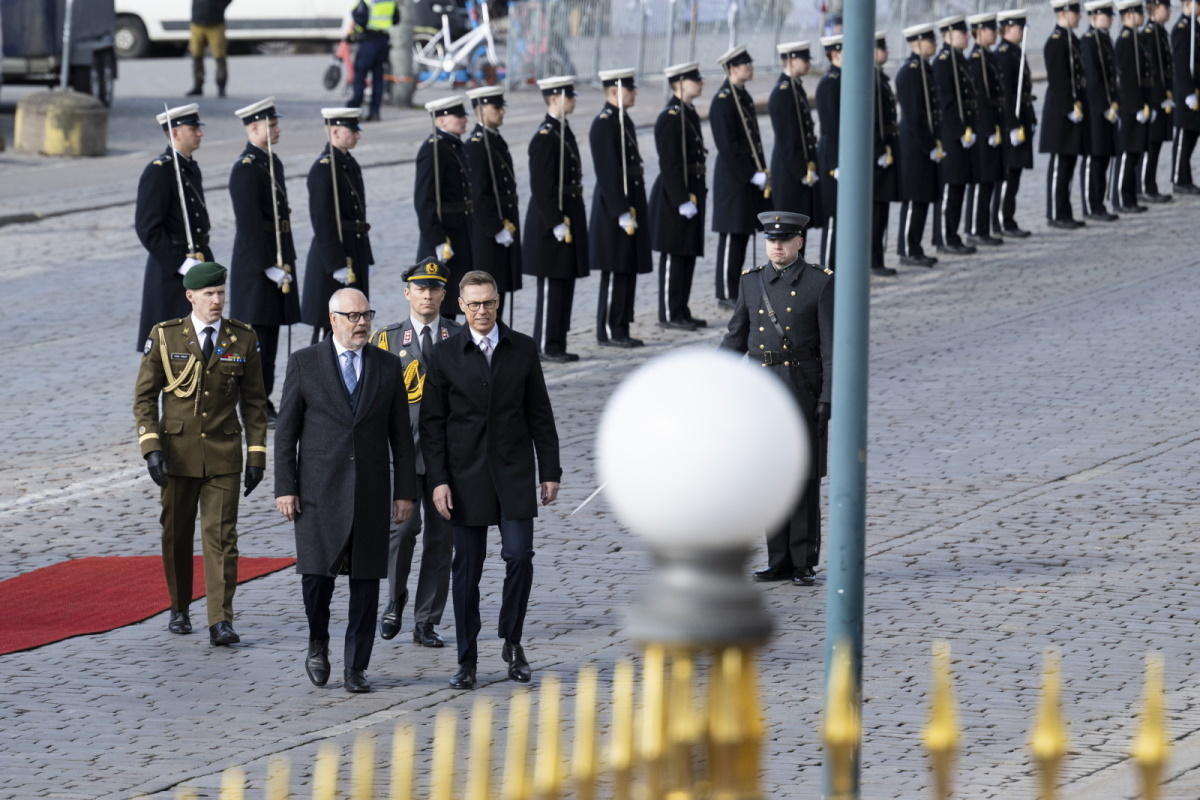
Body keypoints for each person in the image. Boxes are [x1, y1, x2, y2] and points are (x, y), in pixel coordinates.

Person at [419, 271, 562, 690]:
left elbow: (540, 413)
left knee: (519, 557)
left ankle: (512, 640)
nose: (482, 311)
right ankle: (467, 659)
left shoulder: (521, 348)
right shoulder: (445, 355)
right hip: (465, 480)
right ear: (460, 307)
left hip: (514, 474)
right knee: (467, 571)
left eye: (489, 303)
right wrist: (438, 481)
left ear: (498, 303)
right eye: (474, 304)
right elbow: (432, 425)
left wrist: (549, 470)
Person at [275, 288, 418, 694]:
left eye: (366, 315)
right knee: (316, 579)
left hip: (371, 492)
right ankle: (317, 641)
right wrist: (286, 487)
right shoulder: (305, 363)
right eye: (352, 316)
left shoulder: (388, 366)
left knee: (366, 582)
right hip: (318, 493)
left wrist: (404, 491)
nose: (361, 323)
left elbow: (400, 438)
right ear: (332, 318)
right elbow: (286, 433)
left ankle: (357, 666)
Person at [133, 262, 268, 644]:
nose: (217, 301)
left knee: (222, 537)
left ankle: (220, 620)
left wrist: (256, 455)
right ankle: (179, 607)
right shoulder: (166, 337)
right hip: (176, 453)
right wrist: (151, 448)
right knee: (176, 533)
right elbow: (144, 398)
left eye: (221, 293)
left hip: (224, 453)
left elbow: (256, 403)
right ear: (190, 296)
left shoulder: (242, 338)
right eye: (209, 294)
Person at [720, 212, 832, 587]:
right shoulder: (752, 283)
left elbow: (831, 349)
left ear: (800, 241)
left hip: (802, 387)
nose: (777, 247)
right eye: (771, 240)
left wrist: (828, 399)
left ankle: (803, 560)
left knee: (802, 477)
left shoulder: (820, 283)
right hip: (761, 390)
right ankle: (779, 559)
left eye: (784, 240)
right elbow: (736, 337)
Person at [369, 260, 461, 648]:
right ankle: (394, 602)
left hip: (447, 458)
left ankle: (427, 619)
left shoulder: (458, 336)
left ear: (443, 294)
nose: (427, 295)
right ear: (407, 293)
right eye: (419, 288)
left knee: (441, 541)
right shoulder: (387, 340)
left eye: (434, 288)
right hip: (402, 455)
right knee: (401, 531)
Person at [228, 97, 301, 427]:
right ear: (254, 128)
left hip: (278, 262)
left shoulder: (272, 162)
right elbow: (248, 224)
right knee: (256, 342)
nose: (277, 130)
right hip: (258, 270)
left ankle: (265, 401)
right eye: (271, 126)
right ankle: (252, 407)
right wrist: (266, 265)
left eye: (276, 124)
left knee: (270, 340)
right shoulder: (245, 168)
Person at [136, 104, 213, 351]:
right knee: (175, 350)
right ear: (176, 133)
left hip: (198, 262)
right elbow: (148, 228)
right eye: (193, 128)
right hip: (172, 273)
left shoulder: (190, 168)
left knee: (202, 345)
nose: (200, 133)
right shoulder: (160, 171)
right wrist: (181, 263)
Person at [523, 76, 590, 363]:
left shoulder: (562, 130)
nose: (573, 100)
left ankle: (558, 341)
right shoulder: (545, 136)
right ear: (554, 98)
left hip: (569, 209)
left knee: (565, 280)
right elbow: (541, 185)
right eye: (569, 96)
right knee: (552, 284)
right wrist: (555, 221)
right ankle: (547, 345)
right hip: (551, 218)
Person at [590, 68, 652, 347]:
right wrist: (621, 211)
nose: (635, 92)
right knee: (616, 269)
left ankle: (622, 326)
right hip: (614, 208)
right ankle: (609, 329)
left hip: (631, 202)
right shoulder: (604, 123)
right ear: (615, 91)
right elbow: (607, 172)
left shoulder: (621, 119)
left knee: (628, 266)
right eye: (630, 89)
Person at [301, 108, 374, 343]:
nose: (357, 135)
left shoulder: (349, 164)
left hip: (355, 250)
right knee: (329, 330)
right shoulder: (324, 168)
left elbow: (359, 217)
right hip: (335, 256)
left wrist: (367, 258)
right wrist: (336, 264)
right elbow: (323, 220)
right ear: (335, 131)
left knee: (354, 325)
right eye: (352, 130)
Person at [650, 62, 709, 332]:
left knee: (687, 253)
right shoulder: (670, 116)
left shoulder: (688, 112)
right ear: (681, 83)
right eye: (695, 80)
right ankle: (670, 312)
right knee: (675, 254)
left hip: (692, 188)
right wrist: (681, 198)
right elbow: (669, 162)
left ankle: (682, 308)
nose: (701, 83)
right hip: (676, 194)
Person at [710, 45, 769, 307]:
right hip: (734, 178)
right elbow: (728, 145)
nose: (751, 68)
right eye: (747, 65)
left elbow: (753, 140)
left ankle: (736, 288)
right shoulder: (723, 100)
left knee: (743, 234)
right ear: (733, 69)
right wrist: (749, 175)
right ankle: (726, 292)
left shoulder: (741, 96)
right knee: (732, 235)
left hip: (748, 176)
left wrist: (760, 171)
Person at [464, 86, 523, 319]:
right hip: (488, 232)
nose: (501, 112)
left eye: (502, 107)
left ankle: (499, 347)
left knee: (500, 293)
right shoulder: (477, 145)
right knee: (486, 296)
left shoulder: (496, 140)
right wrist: (495, 228)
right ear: (481, 110)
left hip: (505, 222)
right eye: (496, 107)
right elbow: (477, 194)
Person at [416, 96, 475, 320]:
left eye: (463, 115)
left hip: (461, 231)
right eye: (458, 116)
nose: (464, 119)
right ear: (441, 121)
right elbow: (424, 200)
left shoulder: (454, 145)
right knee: (441, 304)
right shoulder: (433, 149)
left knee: (455, 300)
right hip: (445, 235)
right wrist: (437, 239)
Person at [931, 17, 981, 254]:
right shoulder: (943, 62)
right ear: (949, 34)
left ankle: (954, 234)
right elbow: (946, 104)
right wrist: (959, 132)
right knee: (951, 189)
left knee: (960, 187)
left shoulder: (958, 60)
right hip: (952, 136)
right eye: (964, 33)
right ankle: (945, 238)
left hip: (964, 134)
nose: (968, 37)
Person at [768, 42, 823, 254]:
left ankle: (796, 281)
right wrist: (802, 171)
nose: (809, 63)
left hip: (801, 169)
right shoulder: (783, 92)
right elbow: (787, 139)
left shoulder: (795, 87)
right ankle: (785, 283)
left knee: (799, 233)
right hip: (790, 173)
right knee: (788, 235)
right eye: (805, 59)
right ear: (791, 60)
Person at [896, 23, 943, 268]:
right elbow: (914, 115)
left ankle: (916, 246)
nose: (934, 45)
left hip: (927, 143)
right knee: (915, 198)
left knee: (924, 197)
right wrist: (928, 145)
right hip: (915, 145)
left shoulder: (925, 69)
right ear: (917, 42)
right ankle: (908, 248)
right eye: (930, 40)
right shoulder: (910, 71)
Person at [1041, 0, 1091, 228]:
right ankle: (1055, 213)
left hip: (1074, 109)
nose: (1079, 16)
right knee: (1060, 163)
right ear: (1063, 13)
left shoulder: (1071, 40)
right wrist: (1069, 108)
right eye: (1075, 12)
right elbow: (1059, 81)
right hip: (1061, 113)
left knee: (1069, 162)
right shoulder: (1055, 43)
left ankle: (1065, 211)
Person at [993, 10, 1039, 236]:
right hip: (1012, 123)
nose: (1022, 32)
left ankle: (1008, 217)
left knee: (1016, 174)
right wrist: (1011, 126)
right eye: (1020, 27)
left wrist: (1030, 119)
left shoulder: (1014, 52)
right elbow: (1008, 95)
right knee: (1008, 175)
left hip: (1022, 119)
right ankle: (1003, 220)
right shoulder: (1003, 55)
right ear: (1008, 28)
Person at [964, 14, 1007, 246]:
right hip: (984, 129)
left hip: (994, 126)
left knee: (991, 180)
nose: (996, 33)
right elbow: (980, 100)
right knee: (982, 181)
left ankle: (985, 226)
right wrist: (989, 129)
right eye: (991, 29)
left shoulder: (987, 58)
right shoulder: (977, 60)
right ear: (979, 32)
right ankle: (975, 228)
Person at [1080, 1, 1123, 221]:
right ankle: (1092, 204)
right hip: (1095, 110)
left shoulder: (1104, 39)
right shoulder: (1088, 42)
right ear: (1095, 16)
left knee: (1105, 156)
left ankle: (1100, 201)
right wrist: (1104, 106)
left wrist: (1115, 103)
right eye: (1107, 15)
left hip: (1108, 108)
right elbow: (1093, 79)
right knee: (1095, 158)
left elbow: (1112, 78)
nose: (1111, 19)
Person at [1114, 0, 1154, 211]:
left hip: (1141, 102)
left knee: (1136, 152)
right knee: (1128, 152)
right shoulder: (1125, 41)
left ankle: (1130, 196)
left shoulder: (1137, 39)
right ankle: (1121, 198)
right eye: (1139, 12)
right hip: (1131, 106)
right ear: (1129, 14)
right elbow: (1128, 79)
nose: (1143, 15)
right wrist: (1137, 106)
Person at [872, 32, 901, 275]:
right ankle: (872, 260)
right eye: (881, 48)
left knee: (881, 211)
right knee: (874, 212)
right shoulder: (869, 79)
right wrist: (878, 150)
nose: (886, 52)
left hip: (887, 149)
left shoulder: (879, 77)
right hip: (876, 155)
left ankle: (877, 258)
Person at [1142, 0, 1176, 201]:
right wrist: (1159, 98)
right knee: (1150, 144)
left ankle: (1151, 183)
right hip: (1155, 99)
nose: (1169, 10)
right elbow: (1153, 71)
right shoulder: (1149, 34)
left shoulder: (1160, 32)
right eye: (1166, 7)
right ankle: (1147, 186)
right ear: (1156, 8)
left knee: (1157, 145)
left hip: (1164, 97)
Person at [815, 36, 845, 267]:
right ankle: (828, 270)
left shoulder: (845, 79)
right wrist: (836, 163)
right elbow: (830, 127)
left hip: (846, 157)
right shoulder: (829, 83)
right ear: (835, 54)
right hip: (835, 159)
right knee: (834, 219)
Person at [348, 0, 400, 122]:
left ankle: (354, 111)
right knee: (378, 79)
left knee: (360, 76)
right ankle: (375, 112)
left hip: (369, 41)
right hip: (383, 41)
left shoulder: (367, 1)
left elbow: (359, 18)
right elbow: (396, 19)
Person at [1171, 0, 1200, 191]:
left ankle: (1185, 177)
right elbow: (1181, 65)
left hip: (1196, 90)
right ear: (1188, 3)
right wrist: (1189, 92)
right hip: (1186, 93)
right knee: (1184, 136)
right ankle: (1179, 179)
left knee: (1193, 134)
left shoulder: (1194, 26)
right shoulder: (1183, 28)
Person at [186, 0, 232, 97]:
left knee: (219, 56)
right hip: (197, 22)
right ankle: (198, 86)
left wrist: (219, 7)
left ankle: (221, 87)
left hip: (216, 22)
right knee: (196, 55)